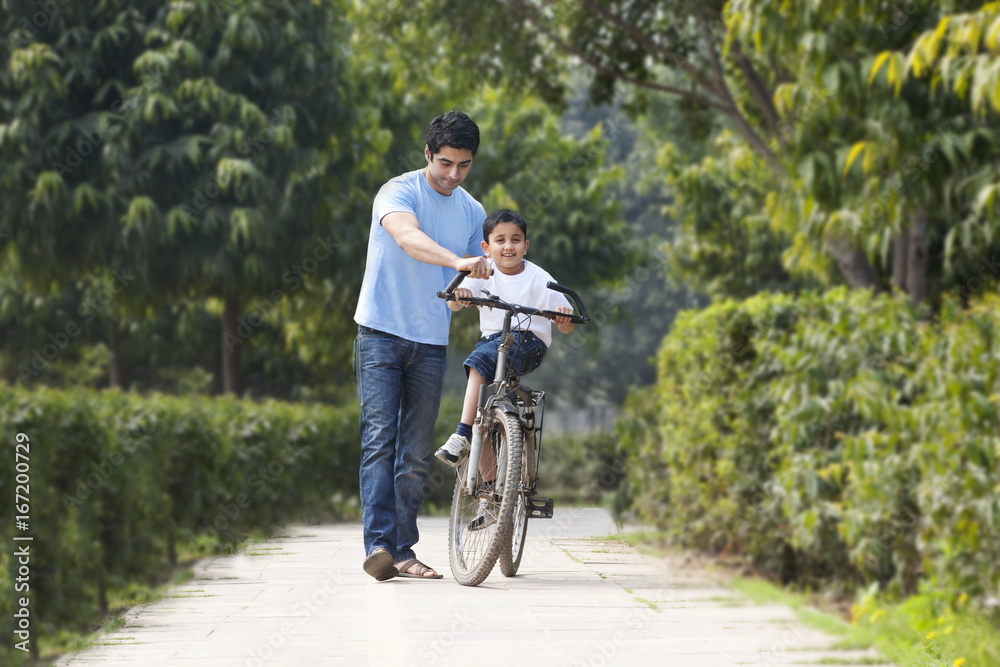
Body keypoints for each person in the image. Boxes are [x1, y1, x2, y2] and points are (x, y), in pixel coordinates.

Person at [354, 111, 490, 581]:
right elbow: (408, 239)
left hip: (430, 342)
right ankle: (379, 547)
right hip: (380, 333)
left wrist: (462, 293)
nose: (454, 175)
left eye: (465, 165)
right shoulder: (398, 191)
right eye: (446, 163)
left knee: (413, 453)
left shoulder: (472, 211)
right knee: (379, 442)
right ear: (428, 154)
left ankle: (404, 550)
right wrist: (458, 260)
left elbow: (457, 295)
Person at [434, 209, 575, 524]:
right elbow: (455, 303)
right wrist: (461, 295)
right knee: (481, 409)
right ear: (486, 248)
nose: (508, 246)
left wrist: (564, 315)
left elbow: (565, 327)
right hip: (492, 342)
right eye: (500, 240)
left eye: (516, 240)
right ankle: (491, 491)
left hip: (529, 343)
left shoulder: (541, 278)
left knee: (479, 361)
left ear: (527, 245)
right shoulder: (482, 273)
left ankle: (460, 434)